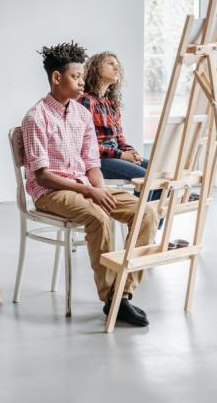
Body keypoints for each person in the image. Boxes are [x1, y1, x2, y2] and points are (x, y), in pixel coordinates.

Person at [20, 41, 159, 326]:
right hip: (51, 192)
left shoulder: (82, 114)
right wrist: (89, 191)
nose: (82, 81)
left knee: (146, 211)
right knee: (98, 217)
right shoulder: (36, 117)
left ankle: (124, 292)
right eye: (76, 76)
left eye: (83, 76)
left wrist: (101, 189)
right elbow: (42, 174)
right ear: (57, 78)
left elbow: (92, 163)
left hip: (84, 185)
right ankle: (113, 299)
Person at [78, 51, 162, 202]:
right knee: (145, 177)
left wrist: (130, 152)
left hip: (115, 154)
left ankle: (151, 223)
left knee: (158, 172)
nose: (117, 68)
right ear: (96, 68)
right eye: (111, 64)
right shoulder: (85, 101)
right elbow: (85, 146)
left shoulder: (111, 104)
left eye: (117, 65)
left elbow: (119, 138)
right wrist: (122, 155)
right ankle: (139, 221)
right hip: (97, 160)